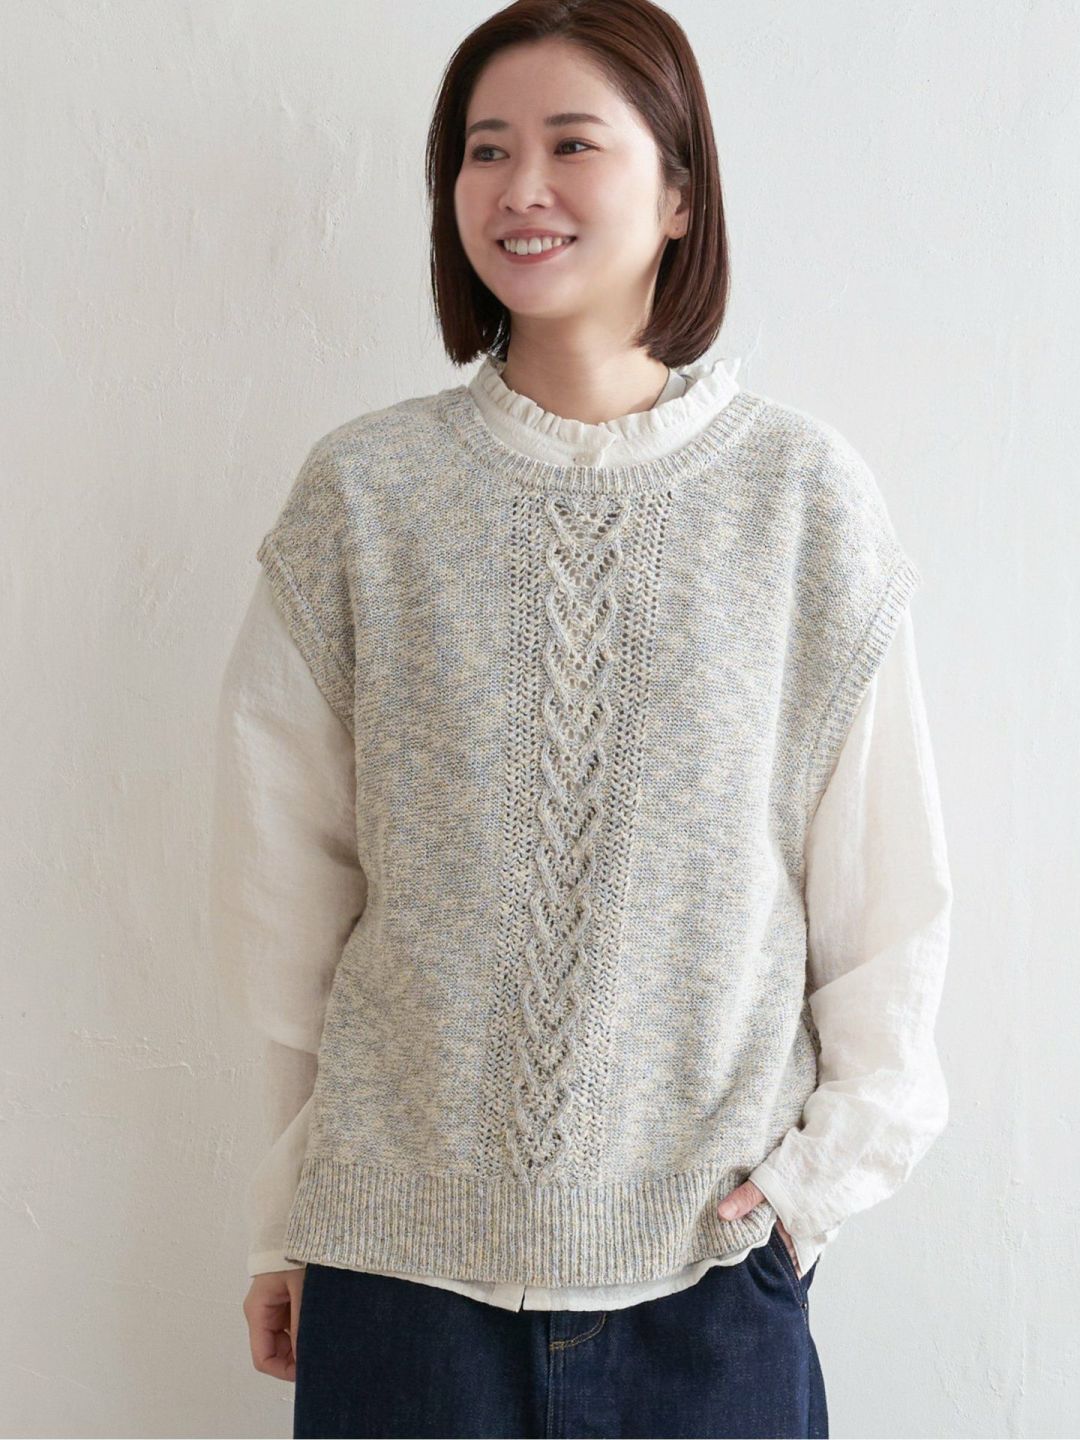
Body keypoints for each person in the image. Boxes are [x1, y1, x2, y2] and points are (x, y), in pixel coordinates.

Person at [208, 1, 953, 1435]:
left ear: (679, 194)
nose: (520, 188)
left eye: (572, 144)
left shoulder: (802, 502)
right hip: (399, 1281)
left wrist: (811, 1195)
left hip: (705, 1282)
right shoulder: (363, 498)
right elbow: (284, 906)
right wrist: (278, 1218)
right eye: (485, 150)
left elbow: (887, 901)